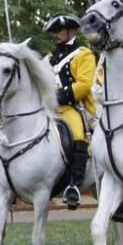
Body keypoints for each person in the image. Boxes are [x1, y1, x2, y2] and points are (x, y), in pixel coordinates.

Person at [43, 13, 96, 210]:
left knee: (76, 135)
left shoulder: (83, 54)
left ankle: (74, 185)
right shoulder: (49, 58)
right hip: (48, 109)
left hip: (72, 107)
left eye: (58, 31)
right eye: (53, 31)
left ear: (70, 31)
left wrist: (57, 97)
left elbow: (84, 85)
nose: (55, 35)